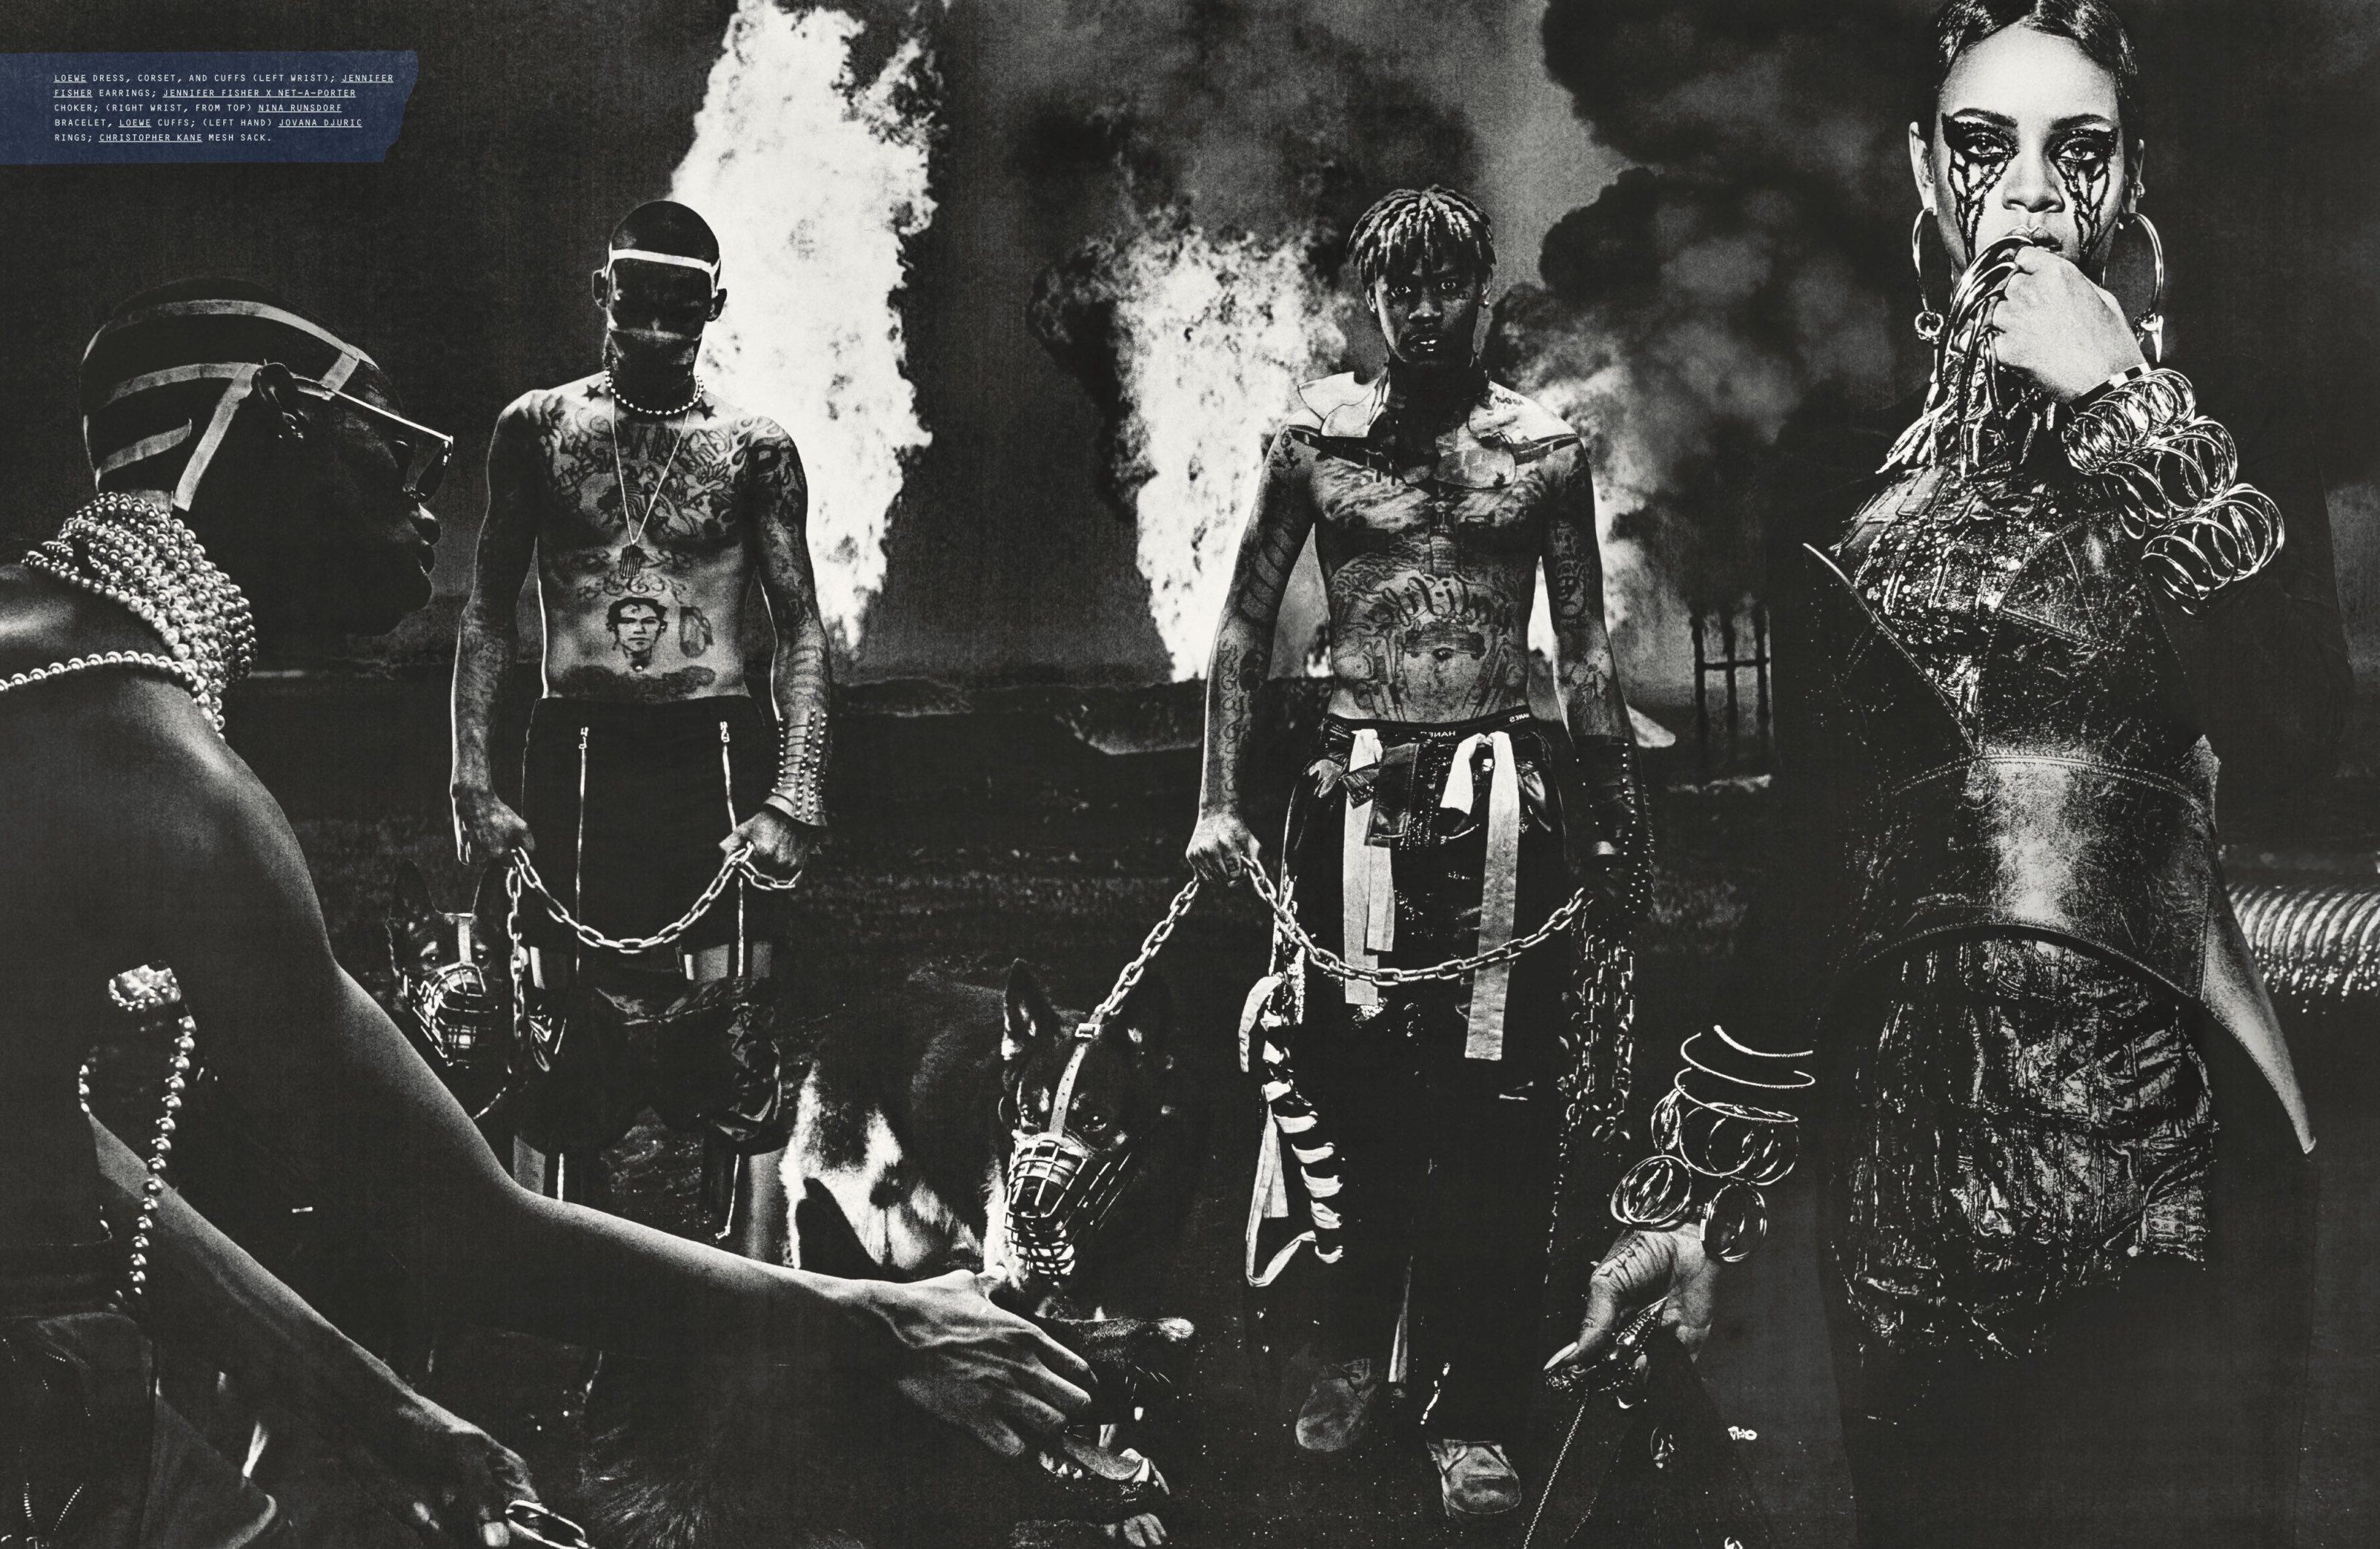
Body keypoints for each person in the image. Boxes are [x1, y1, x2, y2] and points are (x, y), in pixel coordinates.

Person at [0, 276, 1092, 1542]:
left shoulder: (60, 677)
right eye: (391, 446)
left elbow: (58, 1153)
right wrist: (881, 1320)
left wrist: (402, 1424)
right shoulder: (159, 768)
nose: (429, 499)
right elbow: (465, 1230)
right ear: (274, 421)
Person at [1557, 5, 2349, 1545]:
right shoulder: (1843, 478)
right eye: (1987, 146)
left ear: (2132, 178)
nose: (2032, 192)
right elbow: (1814, 856)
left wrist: (2126, 403)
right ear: (1927, 173)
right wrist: (1688, 1201)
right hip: (1903, 1204)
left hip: (2176, 1173)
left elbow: (2297, 725)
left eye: (2079, 149)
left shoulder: (2226, 434)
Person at [1186, 185, 1648, 1521]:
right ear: (1372, 298)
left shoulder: (1543, 453)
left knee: (1496, 1108)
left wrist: (1622, 821)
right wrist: (1217, 802)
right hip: (1354, 794)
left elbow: (1586, 652)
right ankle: (1343, 1355)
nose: (1426, 309)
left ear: (1482, 290)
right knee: (1346, 1086)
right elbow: (1242, 627)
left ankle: (1474, 1407)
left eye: (1449, 283)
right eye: (1402, 286)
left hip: (1501, 800)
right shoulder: (1313, 443)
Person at [449, 201, 828, 1253]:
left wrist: (796, 793)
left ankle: (752, 1287)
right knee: (557, 1032)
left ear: (716, 307)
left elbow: (800, 628)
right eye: (637, 302)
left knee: (738, 1032)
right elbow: (486, 612)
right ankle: (553, 1278)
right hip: (576, 752)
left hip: (717, 752)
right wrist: (471, 781)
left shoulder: (755, 448)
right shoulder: (536, 430)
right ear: (601, 293)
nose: (658, 330)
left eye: (681, 307)